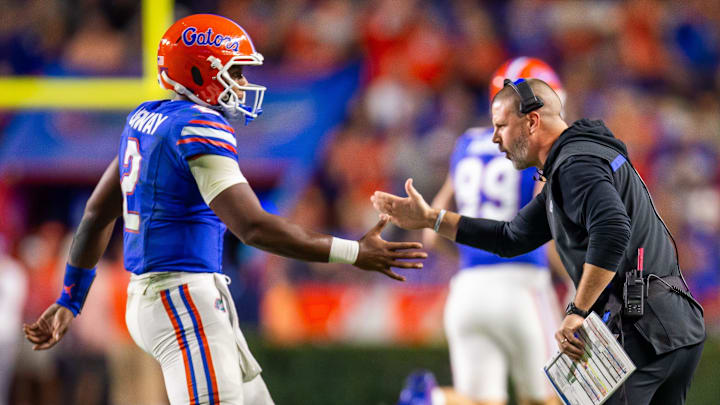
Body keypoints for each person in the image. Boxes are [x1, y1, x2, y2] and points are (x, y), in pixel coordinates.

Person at [23, 14, 426, 405]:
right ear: (199, 73)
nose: (243, 83)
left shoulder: (146, 119)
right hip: (180, 299)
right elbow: (252, 227)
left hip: (171, 296)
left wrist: (70, 299)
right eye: (234, 72)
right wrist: (353, 252)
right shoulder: (198, 125)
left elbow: (96, 213)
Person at [373, 78, 705, 405]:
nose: (495, 138)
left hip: (643, 326)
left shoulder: (574, 166)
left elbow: (613, 229)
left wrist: (578, 310)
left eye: (502, 125)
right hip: (666, 321)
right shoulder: (574, 163)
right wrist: (432, 218)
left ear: (532, 121)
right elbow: (511, 237)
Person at [397, 58, 564, 405]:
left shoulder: (467, 144)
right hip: (522, 286)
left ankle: (435, 401)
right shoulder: (543, 149)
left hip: (468, 289)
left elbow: (433, 230)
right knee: (550, 398)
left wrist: (480, 253)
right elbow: (549, 232)